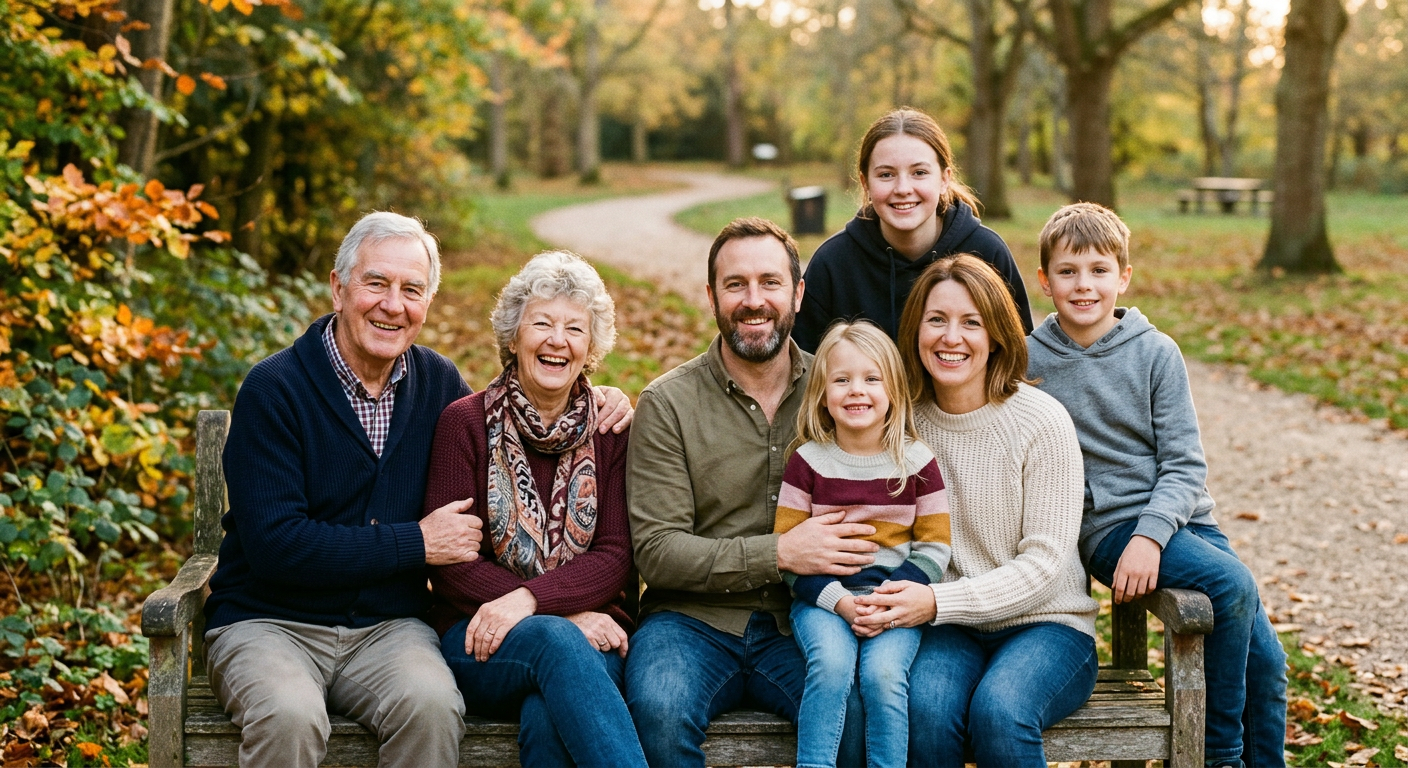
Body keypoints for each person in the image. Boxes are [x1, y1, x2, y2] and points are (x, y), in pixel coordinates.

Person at [202, 212, 633, 767]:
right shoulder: (275, 389)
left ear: (427, 303)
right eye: (376, 283)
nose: (392, 304)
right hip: (269, 621)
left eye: (411, 289)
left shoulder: (435, 386)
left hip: (387, 630)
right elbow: (276, 546)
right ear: (338, 287)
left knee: (431, 707)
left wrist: (604, 396)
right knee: (289, 715)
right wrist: (416, 544)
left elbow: (521, 419)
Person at [1026, 203, 1287, 768]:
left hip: (1184, 520)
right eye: (1067, 271)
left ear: (1123, 277)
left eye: (1098, 270)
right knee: (1232, 585)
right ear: (1044, 281)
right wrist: (1137, 537)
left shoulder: (1155, 352)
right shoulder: (1028, 359)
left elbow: (1186, 464)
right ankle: (1217, 754)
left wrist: (1153, 533)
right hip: (1106, 528)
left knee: (1267, 663)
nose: (1083, 284)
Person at [625, 217, 874, 768]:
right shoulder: (667, 404)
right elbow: (659, 552)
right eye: (735, 284)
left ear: (798, 293)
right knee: (658, 709)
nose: (754, 300)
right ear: (712, 296)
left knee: (854, 716)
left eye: (770, 282)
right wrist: (780, 553)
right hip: (691, 621)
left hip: (805, 616)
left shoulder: (839, 392)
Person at [851, 254, 1099, 767]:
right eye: (936, 320)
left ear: (998, 335)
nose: (951, 337)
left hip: (1048, 625)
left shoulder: (1042, 422)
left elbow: (1045, 567)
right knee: (925, 708)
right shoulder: (900, 426)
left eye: (971, 323)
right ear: (915, 331)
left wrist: (935, 602)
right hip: (950, 630)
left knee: (1000, 711)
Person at [422, 250, 647, 768]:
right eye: (541, 323)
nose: (556, 340)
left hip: (598, 633)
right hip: (477, 635)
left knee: (548, 718)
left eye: (574, 328)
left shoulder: (611, 431)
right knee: (553, 640)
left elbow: (615, 555)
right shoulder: (464, 424)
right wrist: (557, 610)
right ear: (513, 336)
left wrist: (531, 601)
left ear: (590, 347)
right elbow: (454, 563)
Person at [773, 321, 951, 768]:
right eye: (842, 380)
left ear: (892, 390)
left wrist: (887, 601)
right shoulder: (808, 462)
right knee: (831, 668)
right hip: (823, 601)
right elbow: (788, 553)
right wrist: (841, 603)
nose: (857, 391)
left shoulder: (917, 463)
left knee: (884, 676)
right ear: (822, 393)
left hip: (896, 602)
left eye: (872, 379)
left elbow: (934, 548)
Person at [792, 107, 1031, 354]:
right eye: (886, 174)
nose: (903, 188)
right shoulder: (832, 264)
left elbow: (1018, 359)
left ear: (944, 179)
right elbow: (807, 370)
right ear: (865, 184)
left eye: (919, 173)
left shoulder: (987, 253)